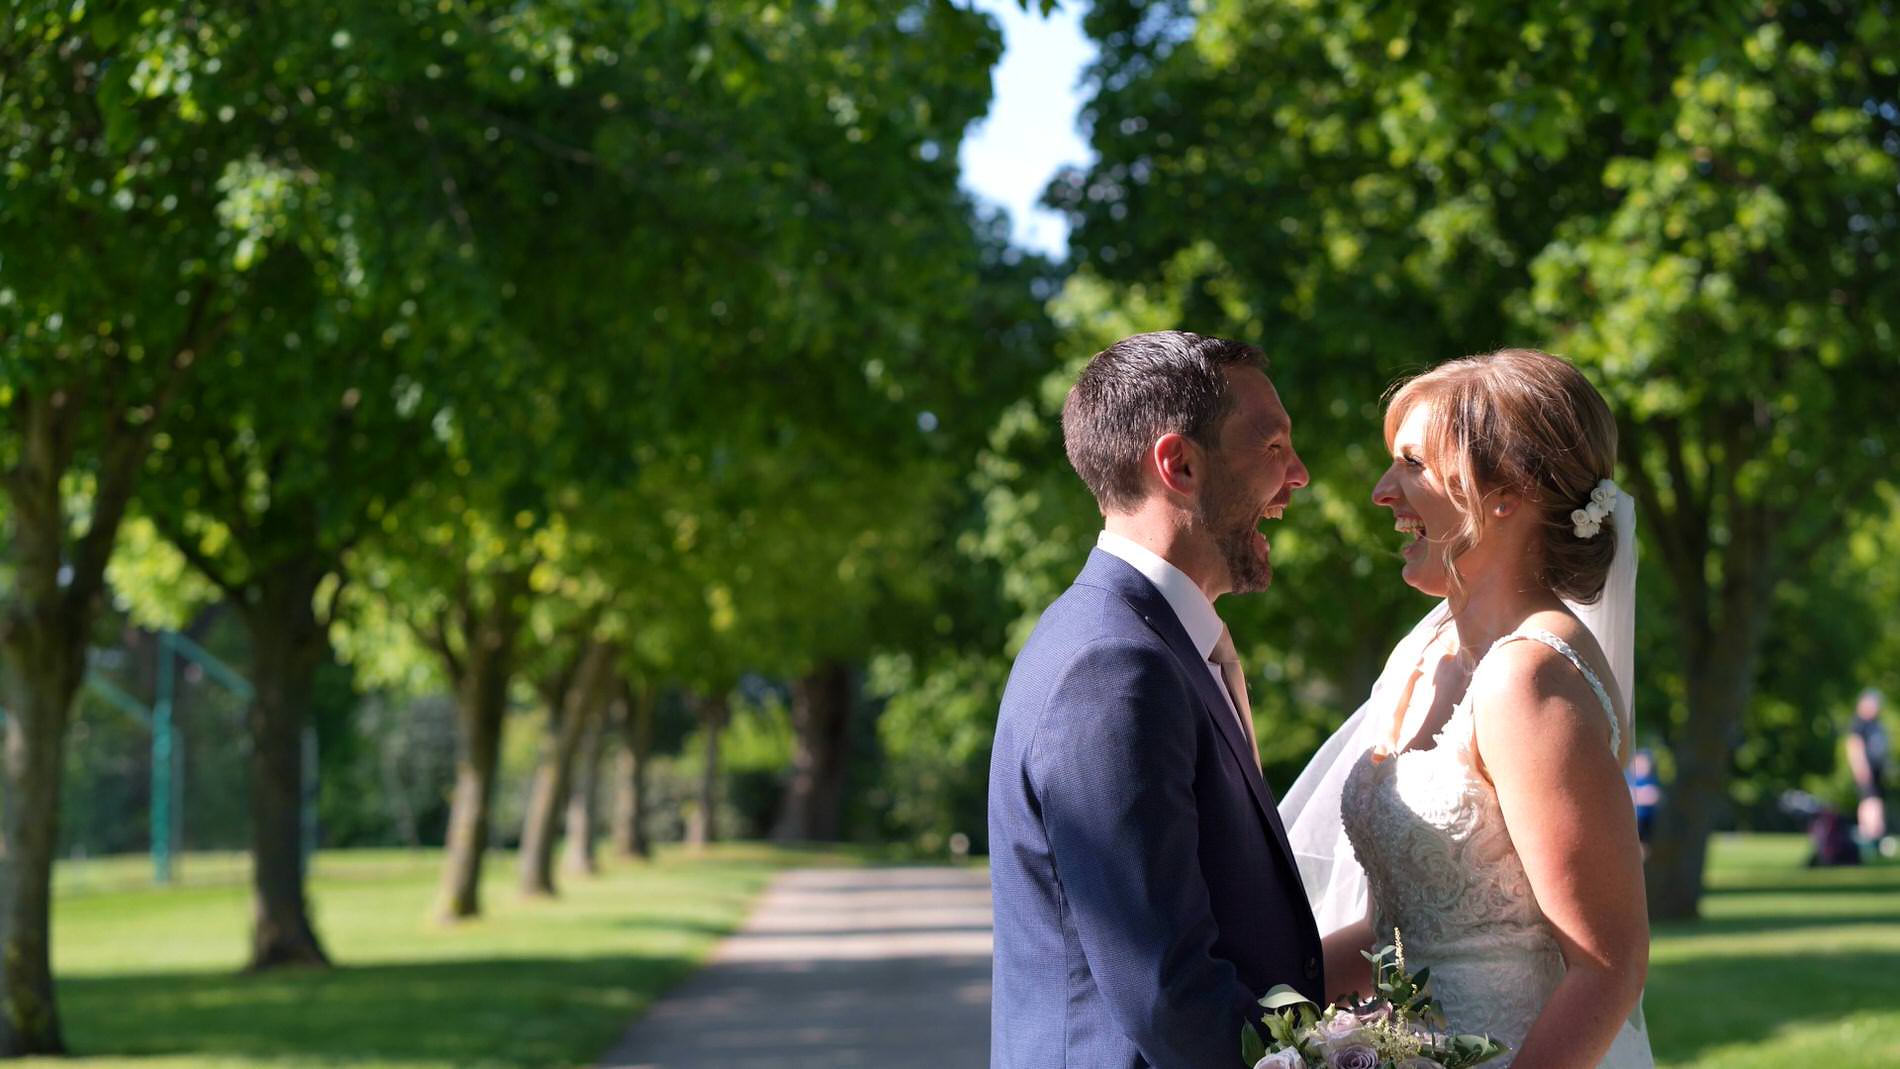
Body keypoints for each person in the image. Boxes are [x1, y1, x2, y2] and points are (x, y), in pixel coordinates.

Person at [1281, 348, 1654, 1068]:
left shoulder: (1531, 677)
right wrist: (1251, 1002)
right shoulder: (1427, 654)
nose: (1382, 491)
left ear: (1507, 489)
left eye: (1413, 465)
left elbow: (1608, 965)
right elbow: (1408, 929)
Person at [988, 330, 1323, 1067]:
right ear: (1179, 464)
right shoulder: (1112, 667)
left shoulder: (1151, 645)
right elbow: (1169, 992)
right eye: (1273, 447)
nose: (1298, 475)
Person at [1846, 688, 1890, 851]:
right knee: (1870, 803)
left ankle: (1876, 838)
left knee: (1877, 802)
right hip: (1866, 772)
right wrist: (1861, 768)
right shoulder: (1859, 724)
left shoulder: (1875, 723)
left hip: (1877, 772)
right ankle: (1870, 838)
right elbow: (1854, 747)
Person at [1625, 749, 1662, 854]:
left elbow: (1654, 796)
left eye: (1644, 764)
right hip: (1631, 820)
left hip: (1645, 822)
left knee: (1642, 849)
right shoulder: (1628, 778)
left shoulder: (1651, 780)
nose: (1641, 767)